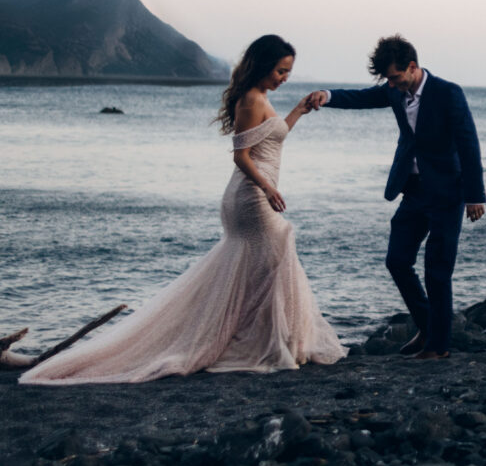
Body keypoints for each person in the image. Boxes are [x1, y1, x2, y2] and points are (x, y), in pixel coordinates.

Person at [21, 35, 346, 385]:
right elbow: (241, 156)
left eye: (288, 72)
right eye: (281, 71)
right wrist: (268, 188)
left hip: (257, 195)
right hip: (250, 198)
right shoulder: (251, 99)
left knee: (264, 267)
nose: (285, 77)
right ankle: (258, 342)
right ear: (264, 65)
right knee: (270, 261)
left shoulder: (262, 98)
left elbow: (271, 139)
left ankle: (267, 339)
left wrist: (297, 110)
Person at [305, 34, 485, 360]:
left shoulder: (448, 93)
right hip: (413, 190)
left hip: (447, 192)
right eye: (388, 78)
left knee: (437, 269)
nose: (392, 83)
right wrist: (326, 95)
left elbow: (469, 144)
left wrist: (475, 196)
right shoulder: (394, 91)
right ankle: (427, 325)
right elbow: (362, 98)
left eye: (396, 76)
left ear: (413, 67)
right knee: (397, 260)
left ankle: (438, 346)